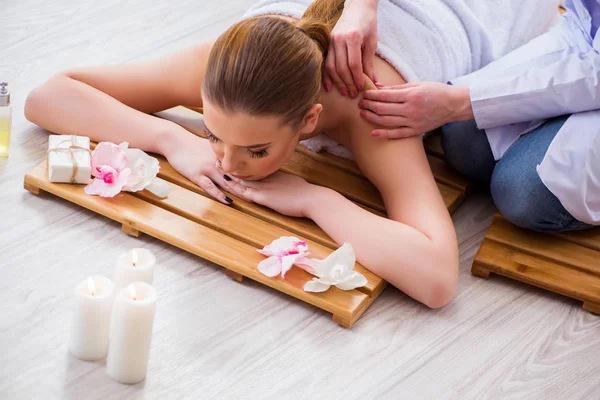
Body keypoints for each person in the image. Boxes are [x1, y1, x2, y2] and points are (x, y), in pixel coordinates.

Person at [24, 0, 558, 308]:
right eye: (214, 133)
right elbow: (48, 96)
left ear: (309, 122)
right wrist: (173, 139)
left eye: (255, 150)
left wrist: (313, 199)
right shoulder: (224, 66)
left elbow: (438, 276)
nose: (228, 164)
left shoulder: (372, 109)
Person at [358, 0, 599, 232]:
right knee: (462, 142)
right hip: (583, 33)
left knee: (520, 194)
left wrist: (462, 102)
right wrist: (360, 7)